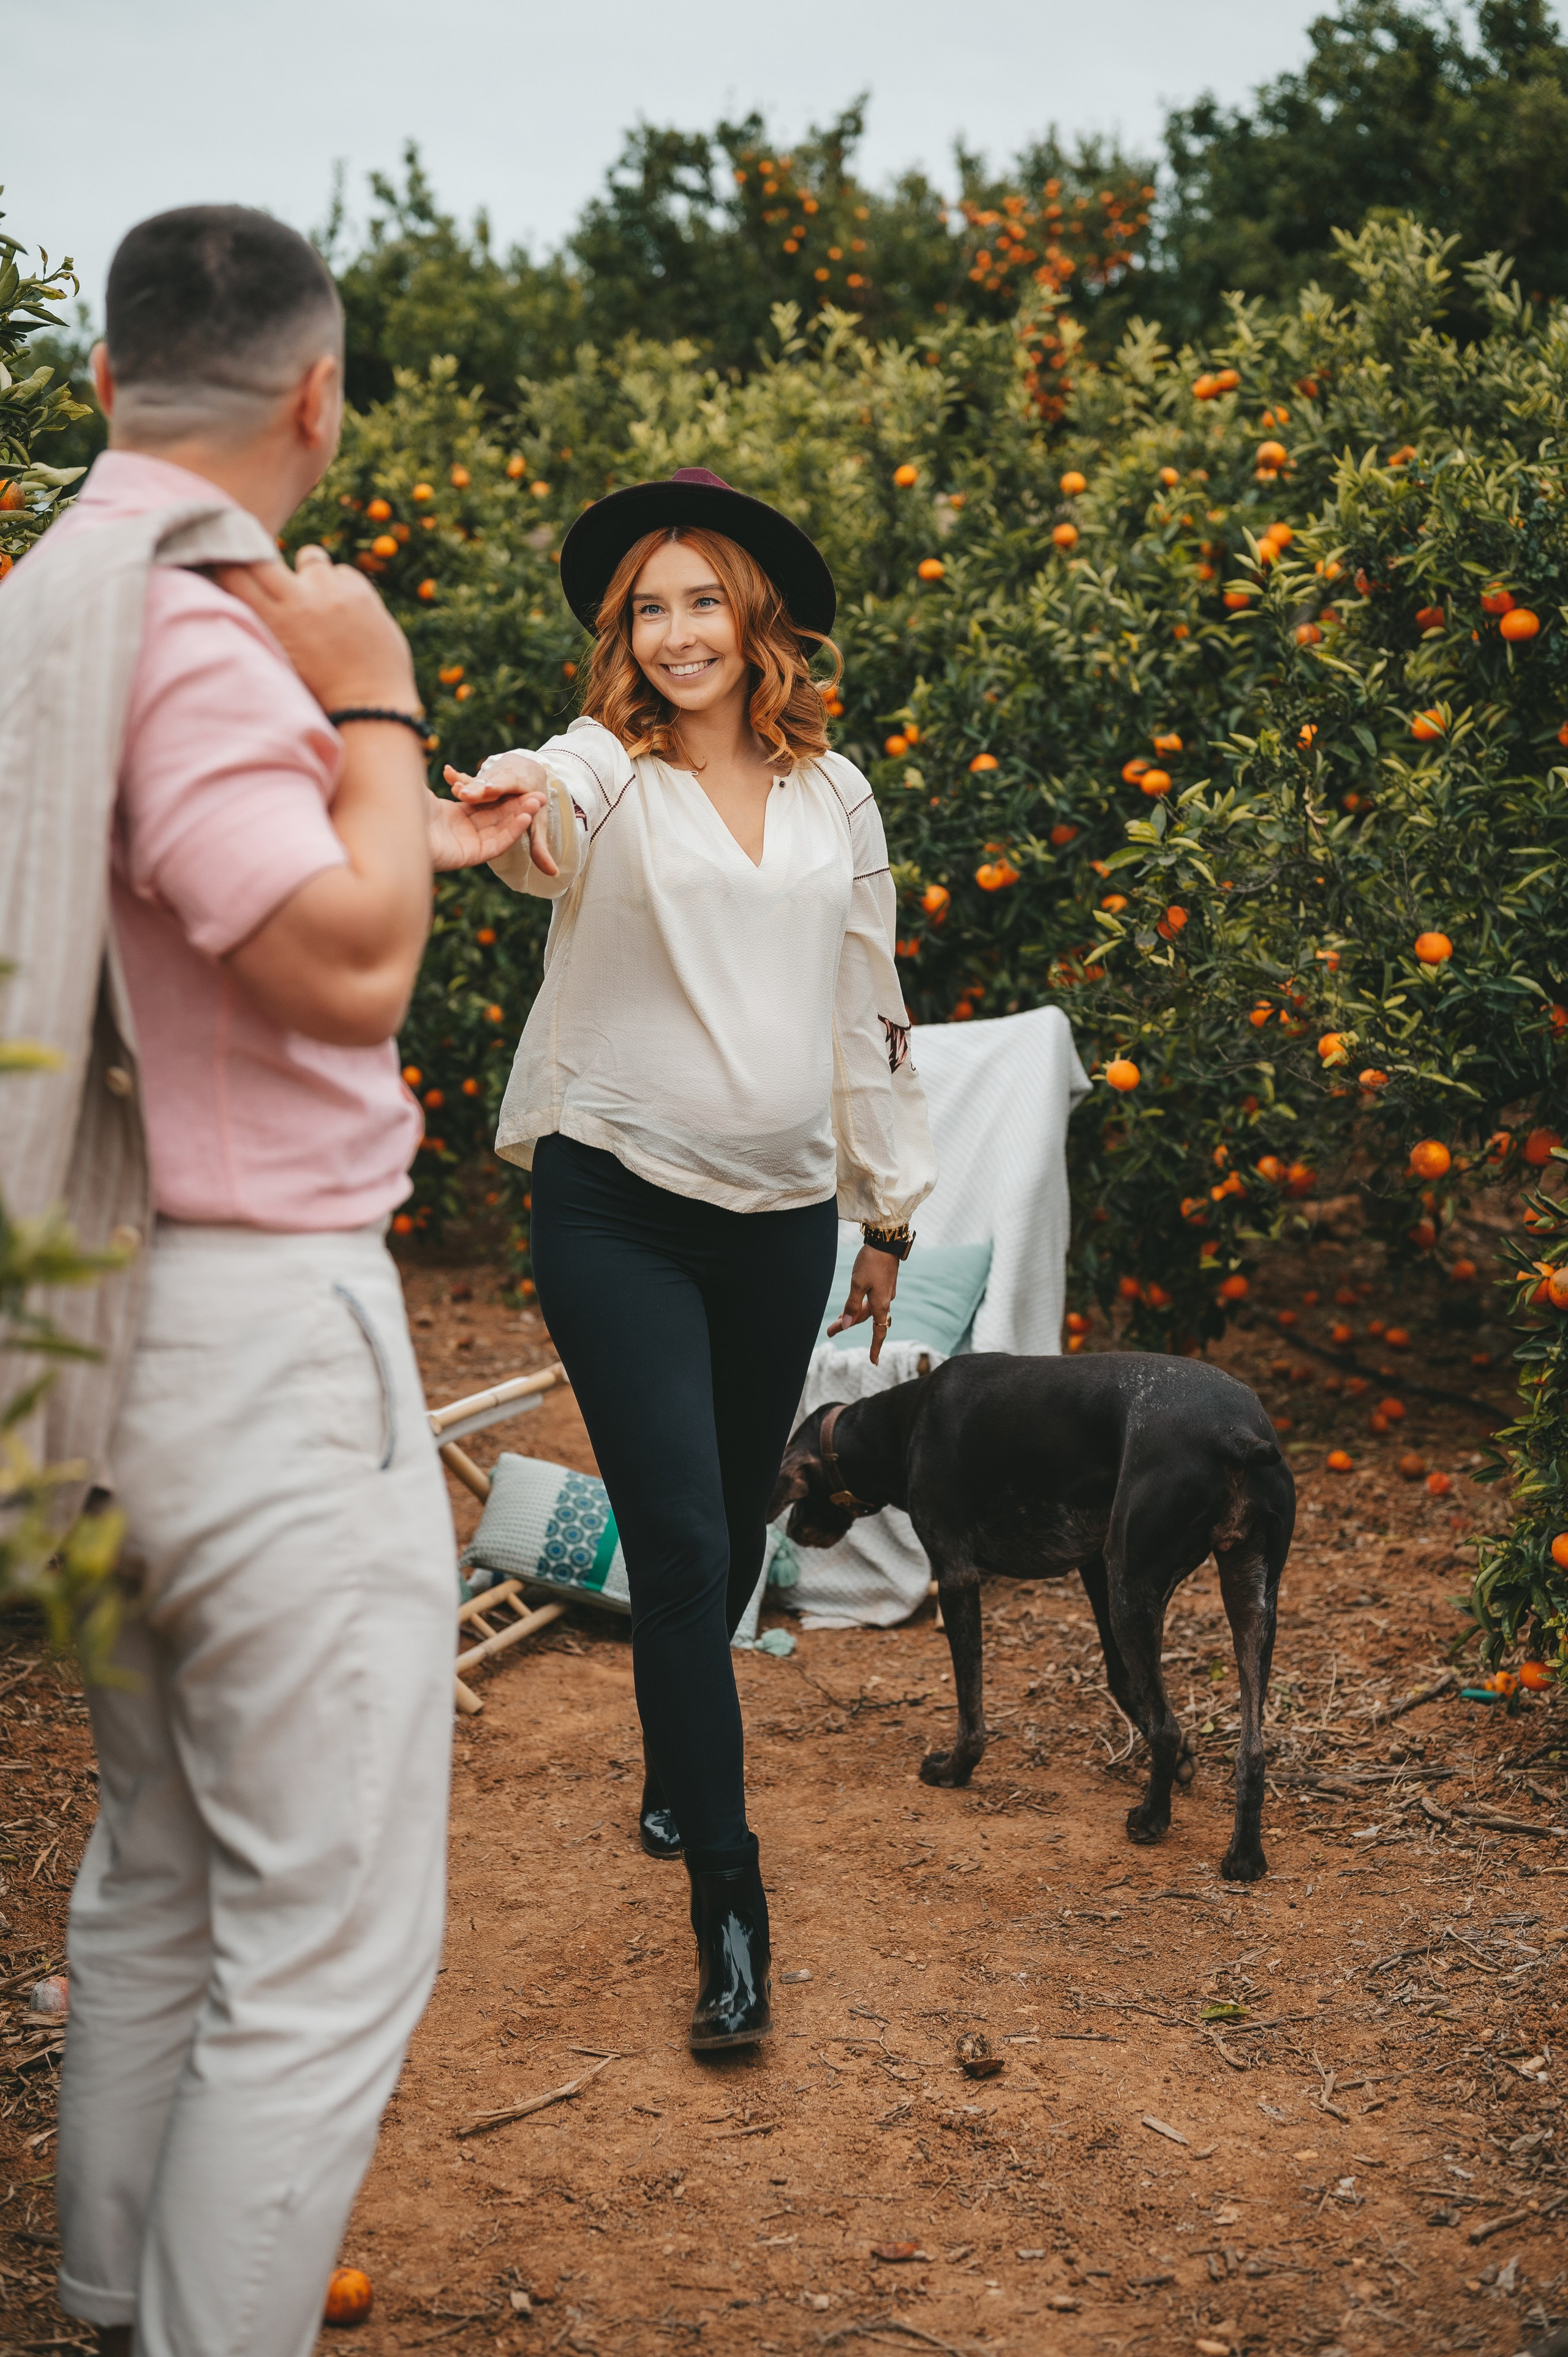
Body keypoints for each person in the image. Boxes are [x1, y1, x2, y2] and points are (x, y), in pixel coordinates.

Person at [0, 206, 541, 2357]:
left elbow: (190, 904)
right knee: (323, 1951)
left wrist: (390, 807)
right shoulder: (206, 624)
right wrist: (382, 705)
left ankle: (108, 2303)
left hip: (92, 1318)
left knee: (162, 1874)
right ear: (319, 398)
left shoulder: (44, 592)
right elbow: (343, 968)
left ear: (110, 381)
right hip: (247, 1335)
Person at [448, 469, 936, 2050]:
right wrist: (508, 800)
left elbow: (871, 1001)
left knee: (729, 1530)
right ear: (623, 636)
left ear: (754, 618)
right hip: (616, 1204)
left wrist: (888, 1210)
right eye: (646, 611)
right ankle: (732, 1910)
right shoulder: (608, 772)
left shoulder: (837, 795)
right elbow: (552, 810)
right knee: (675, 1545)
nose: (674, 636)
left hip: (783, 1217)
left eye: (701, 602)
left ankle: (677, 1757)